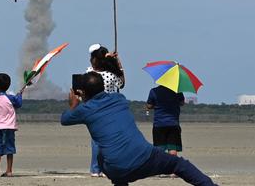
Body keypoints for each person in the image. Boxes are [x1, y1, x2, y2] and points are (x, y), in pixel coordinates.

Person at [61, 72, 217, 186]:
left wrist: (74, 104)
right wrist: (118, 65)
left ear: (82, 92)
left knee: (104, 157)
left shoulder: (85, 110)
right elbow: (118, 85)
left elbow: (65, 119)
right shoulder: (119, 99)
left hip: (116, 168)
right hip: (145, 158)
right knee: (178, 164)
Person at [87, 43, 125, 177]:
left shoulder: (89, 73)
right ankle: (104, 168)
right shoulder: (111, 75)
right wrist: (117, 62)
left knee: (96, 141)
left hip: (93, 110)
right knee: (108, 141)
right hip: (109, 110)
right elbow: (122, 83)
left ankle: (95, 168)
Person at [0, 73, 22, 177]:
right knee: (9, 149)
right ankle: (9, 170)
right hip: (9, 127)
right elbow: (19, 104)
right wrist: (20, 95)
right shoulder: (11, 98)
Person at [146, 85, 186, 156]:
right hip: (173, 123)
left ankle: (162, 166)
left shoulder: (154, 91)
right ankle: (171, 165)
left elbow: (149, 105)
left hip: (159, 124)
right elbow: (182, 103)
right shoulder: (177, 91)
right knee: (173, 149)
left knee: (160, 149)